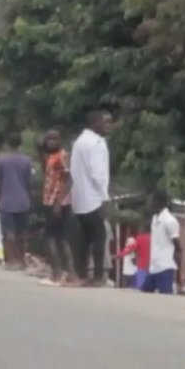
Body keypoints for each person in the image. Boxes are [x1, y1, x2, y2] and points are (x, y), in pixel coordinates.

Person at [70, 111, 112, 284]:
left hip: (79, 198)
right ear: (95, 123)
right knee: (99, 237)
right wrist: (104, 198)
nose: (109, 125)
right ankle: (97, 276)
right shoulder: (96, 143)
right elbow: (97, 174)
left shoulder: (80, 141)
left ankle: (81, 273)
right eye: (106, 121)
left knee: (85, 238)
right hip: (93, 198)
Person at [0, 132, 34, 270]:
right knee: (22, 233)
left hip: (6, 201)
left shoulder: (2, 160)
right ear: (20, 143)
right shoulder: (27, 161)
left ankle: (11, 261)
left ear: (8, 143)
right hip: (23, 201)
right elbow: (29, 182)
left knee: (8, 233)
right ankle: (22, 260)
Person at [38, 129, 74, 286]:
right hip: (49, 201)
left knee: (51, 238)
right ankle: (69, 274)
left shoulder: (61, 156)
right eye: (48, 139)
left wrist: (58, 204)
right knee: (60, 238)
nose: (51, 142)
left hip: (57, 202)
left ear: (60, 141)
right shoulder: (50, 157)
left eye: (54, 139)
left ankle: (57, 274)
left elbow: (68, 180)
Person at [144, 192, 181, 294]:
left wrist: (178, 275)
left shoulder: (169, 221)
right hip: (154, 267)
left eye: (152, 201)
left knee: (165, 299)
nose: (150, 204)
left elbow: (178, 247)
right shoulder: (155, 219)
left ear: (158, 202)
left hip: (165, 268)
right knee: (144, 296)